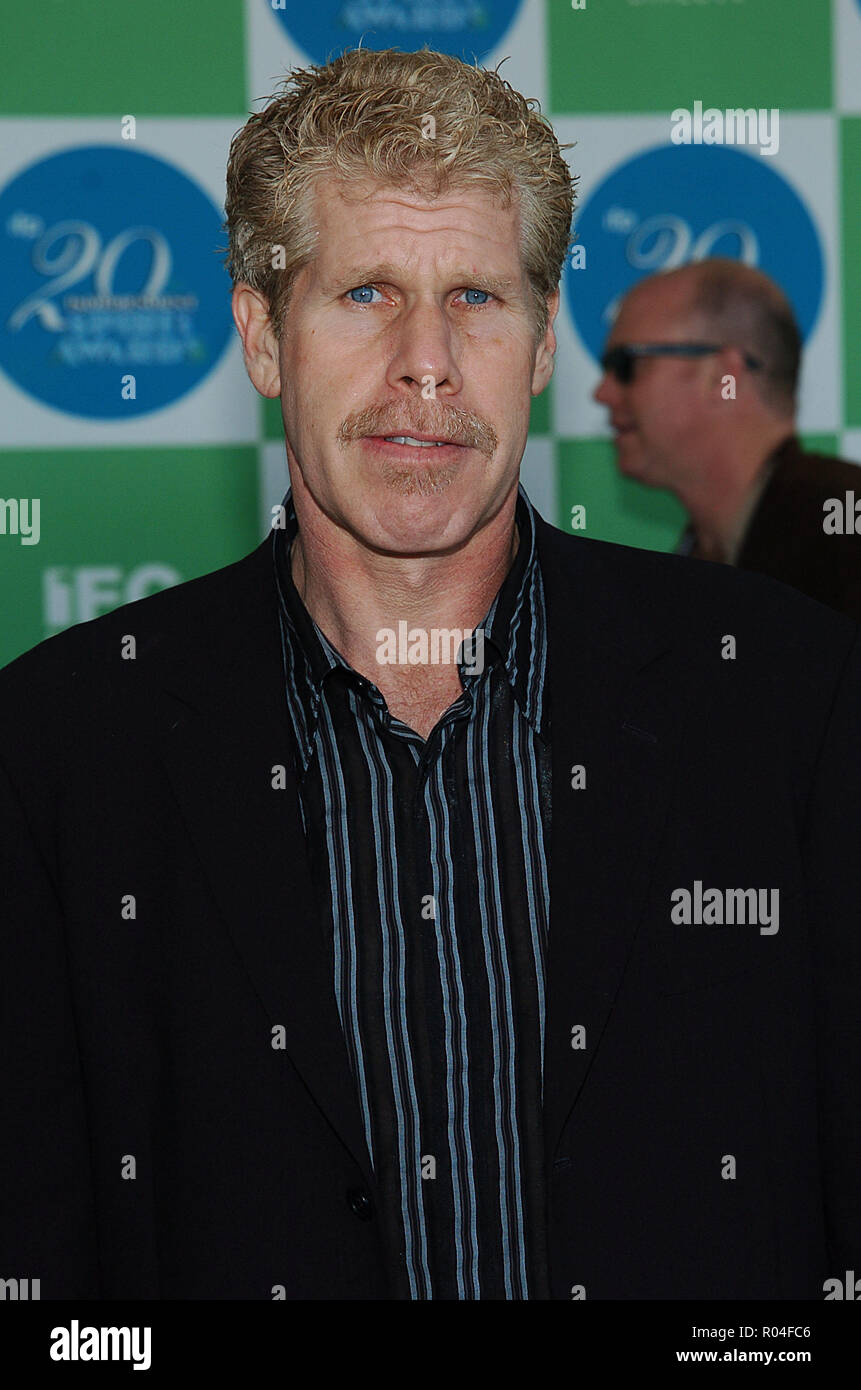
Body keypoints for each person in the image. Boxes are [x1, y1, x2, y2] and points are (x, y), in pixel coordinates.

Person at [1, 48, 859, 1302]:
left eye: (475, 297)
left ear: (545, 341)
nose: (427, 364)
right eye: (363, 292)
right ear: (259, 335)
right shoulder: (64, 746)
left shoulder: (790, 698)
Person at [594, 259, 861, 619]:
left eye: (627, 365)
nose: (603, 392)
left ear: (724, 378)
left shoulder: (846, 536)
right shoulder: (691, 567)